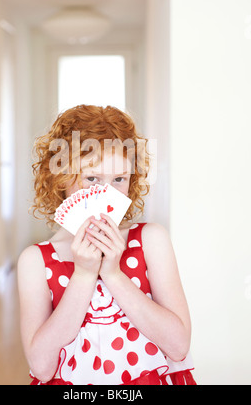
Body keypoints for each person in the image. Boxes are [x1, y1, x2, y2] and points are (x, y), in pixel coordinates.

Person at [17, 104, 196, 385]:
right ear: (60, 178)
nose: (106, 193)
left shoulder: (151, 241)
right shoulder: (36, 261)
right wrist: (84, 274)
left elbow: (178, 346)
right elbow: (40, 367)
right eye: (92, 178)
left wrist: (113, 274)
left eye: (119, 179)